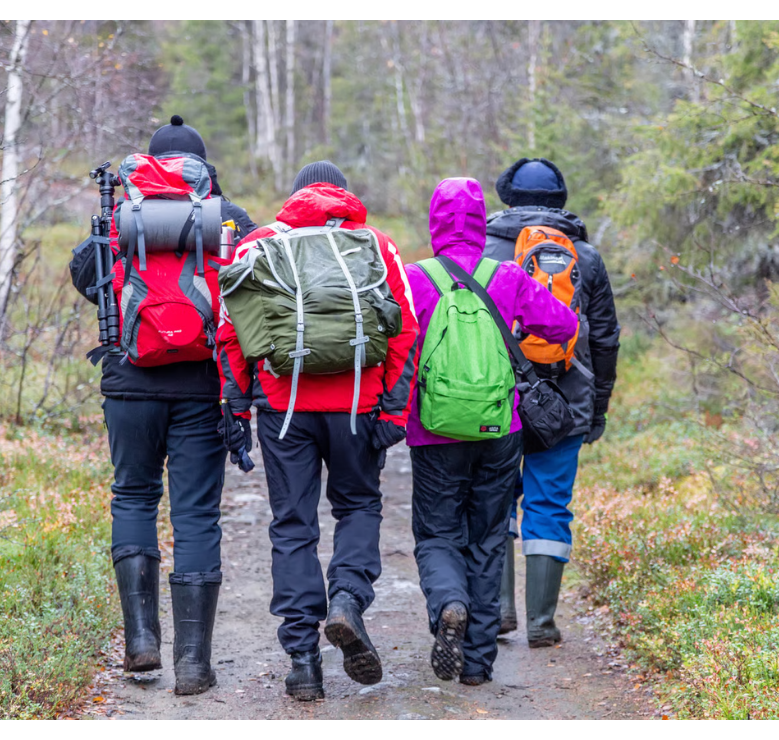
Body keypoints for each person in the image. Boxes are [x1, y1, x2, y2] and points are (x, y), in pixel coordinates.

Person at [216, 161, 418, 701]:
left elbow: (231, 332)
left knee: (293, 525)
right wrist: (393, 411)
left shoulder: (259, 244)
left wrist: (237, 405)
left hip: (284, 408)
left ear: (296, 195)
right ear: (343, 196)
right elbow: (406, 328)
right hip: (357, 404)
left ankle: (303, 660)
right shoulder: (375, 244)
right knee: (357, 506)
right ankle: (348, 599)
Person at [69, 115, 257, 695]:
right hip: (203, 386)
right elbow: (255, 287)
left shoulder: (120, 214)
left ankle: (141, 643)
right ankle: (195, 665)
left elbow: (84, 273)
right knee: (196, 514)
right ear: (204, 168)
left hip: (128, 383)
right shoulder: (226, 219)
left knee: (132, 495)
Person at [404, 177, 580, 686]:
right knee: (486, 537)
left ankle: (448, 605)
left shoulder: (415, 279)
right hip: (500, 427)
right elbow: (565, 327)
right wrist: (518, 335)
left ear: (434, 222)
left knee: (437, 532)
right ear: (482, 222)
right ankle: (478, 663)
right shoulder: (505, 276)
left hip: (433, 431)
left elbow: (392, 344)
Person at [484, 157, 620, 647]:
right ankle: (542, 623)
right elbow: (604, 339)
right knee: (550, 505)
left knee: (494, 501)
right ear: (561, 199)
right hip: (568, 401)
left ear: (507, 197)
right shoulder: (585, 256)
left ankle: (496, 611)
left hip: (496, 398)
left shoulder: (484, 249)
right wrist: (597, 406)